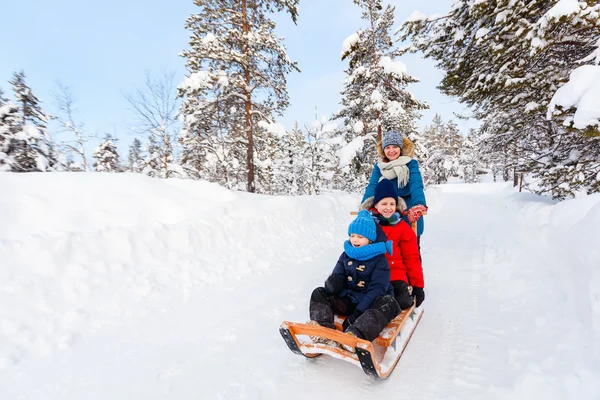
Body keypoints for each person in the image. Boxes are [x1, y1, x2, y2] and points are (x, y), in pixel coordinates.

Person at [308, 210, 400, 351]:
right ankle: (323, 328)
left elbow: (377, 290)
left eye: (360, 236)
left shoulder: (379, 260)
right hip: (349, 299)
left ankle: (355, 335)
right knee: (319, 292)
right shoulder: (346, 255)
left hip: (370, 302)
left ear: (370, 239)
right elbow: (338, 274)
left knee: (388, 302)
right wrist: (333, 284)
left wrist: (357, 313)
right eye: (352, 236)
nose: (355, 240)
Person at [361, 178, 425, 309]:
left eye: (392, 204)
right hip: (371, 273)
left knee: (401, 301)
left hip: (395, 274)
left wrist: (418, 285)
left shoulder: (402, 227)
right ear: (376, 205)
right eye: (384, 204)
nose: (389, 208)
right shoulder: (367, 224)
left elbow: (412, 257)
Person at [361, 130, 427, 249]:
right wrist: (364, 207)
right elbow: (372, 186)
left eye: (395, 147)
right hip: (388, 211)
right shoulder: (379, 167)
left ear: (400, 148)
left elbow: (416, 185)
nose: (391, 151)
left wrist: (419, 205)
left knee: (410, 251)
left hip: (409, 210)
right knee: (390, 252)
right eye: (388, 147)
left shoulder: (411, 164)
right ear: (383, 150)